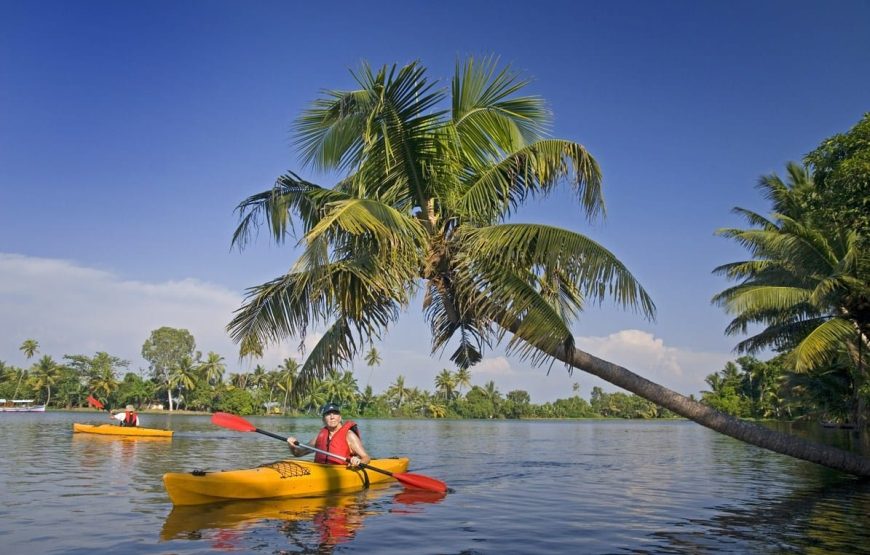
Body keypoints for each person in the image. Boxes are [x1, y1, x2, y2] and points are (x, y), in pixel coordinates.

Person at [287, 403, 370, 468]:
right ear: (323, 419)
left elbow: (366, 457)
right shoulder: (319, 437)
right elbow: (298, 453)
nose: (332, 417)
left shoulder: (349, 435)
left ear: (340, 418)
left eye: (335, 413)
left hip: (342, 471)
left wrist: (358, 461)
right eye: (328, 414)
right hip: (320, 471)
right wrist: (291, 445)